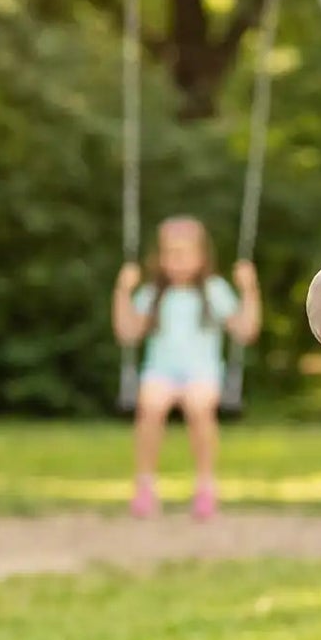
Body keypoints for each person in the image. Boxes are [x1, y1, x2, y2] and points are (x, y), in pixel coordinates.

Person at [112, 216, 260, 520]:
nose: (177, 260)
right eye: (170, 253)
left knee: (198, 407)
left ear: (202, 256)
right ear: (159, 257)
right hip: (160, 371)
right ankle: (145, 484)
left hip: (202, 373)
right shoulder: (153, 293)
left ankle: (205, 485)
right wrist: (122, 291)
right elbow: (127, 332)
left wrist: (250, 289)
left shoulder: (214, 290)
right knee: (151, 405)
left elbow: (245, 331)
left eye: (184, 253)